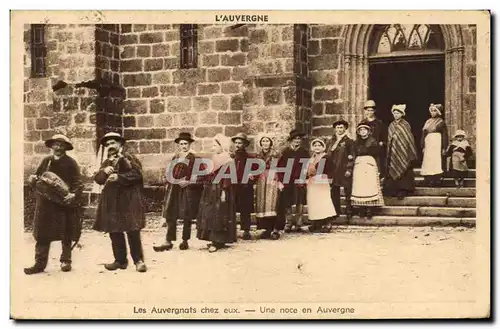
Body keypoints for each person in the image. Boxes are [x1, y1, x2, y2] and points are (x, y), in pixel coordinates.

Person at [24, 134, 84, 275]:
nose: (58, 147)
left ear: (65, 148)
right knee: (42, 232)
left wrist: (73, 195)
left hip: (63, 202)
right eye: (55, 144)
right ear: (51, 146)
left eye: (61, 145)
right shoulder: (46, 161)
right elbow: (38, 178)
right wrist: (32, 179)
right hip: (45, 202)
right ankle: (39, 264)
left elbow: (78, 183)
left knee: (66, 231)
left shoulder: (71, 163)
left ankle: (65, 261)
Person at [93, 132, 147, 273]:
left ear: (120, 144)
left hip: (129, 200)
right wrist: (104, 172)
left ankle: (138, 260)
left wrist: (119, 177)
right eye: (107, 144)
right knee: (114, 230)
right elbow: (98, 180)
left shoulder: (130, 158)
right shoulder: (106, 162)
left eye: (113, 143)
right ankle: (120, 261)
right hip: (112, 201)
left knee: (132, 229)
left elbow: (137, 175)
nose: (110, 146)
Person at [153, 132, 202, 252]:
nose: (184, 146)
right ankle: (168, 240)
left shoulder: (195, 158)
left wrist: (189, 182)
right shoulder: (175, 158)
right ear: (178, 145)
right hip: (174, 189)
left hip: (187, 190)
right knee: (171, 213)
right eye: (181, 144)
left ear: (190, 144)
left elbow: (201, 176)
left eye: (186, 143)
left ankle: (185, 240)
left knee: (187, 215)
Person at [196, 134, 237, 253]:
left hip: (221, 189)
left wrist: (224, 191)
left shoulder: (228, 160)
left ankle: (217, 240)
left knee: (219, 214)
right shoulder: (214, 158)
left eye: (215, 145)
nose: (213, 148)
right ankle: (212, 238)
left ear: (222, 146)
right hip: (210, 189)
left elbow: (229, 177)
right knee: (209, 213)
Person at [277, 129, 309, 233]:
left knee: (299, 200)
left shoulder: (304, 152)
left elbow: (306, 166)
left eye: (299, 139)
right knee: (287, 201)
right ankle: (288, 222)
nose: (297, 141)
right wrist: (281, 180)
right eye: (295, 139)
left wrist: (303, 178)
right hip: (287, 179)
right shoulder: (285, 152)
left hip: (299, 179)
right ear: (291, 140)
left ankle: (299, 223)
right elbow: (280, 167)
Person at [384, 104, 418, 199]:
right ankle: (393, 190)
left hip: (404, 152)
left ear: (402, 114)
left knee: (404, 170)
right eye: (394, 113)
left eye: (398, 113)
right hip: (393, 152)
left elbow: (408, 138)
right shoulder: (391, 125)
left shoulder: (405, 124)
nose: (396, 115)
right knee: (392, 169)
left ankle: (402, 190)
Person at [351, 124, 385, 219]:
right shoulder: (356, 143)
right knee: (360, 186)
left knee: (369, 186)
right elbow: (353, 154)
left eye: (364, 130)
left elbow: (377, 156)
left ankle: (369, 209)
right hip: (359, 165)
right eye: (360, 130)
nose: (362, 131)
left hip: (370, 164)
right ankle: (361, 209)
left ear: (368, 131)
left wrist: (378, 168)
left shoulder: (373, 142)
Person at [255, 134, 283, 240]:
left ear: (270, 143)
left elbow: (281, 168)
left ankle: (275, 229)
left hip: (273, 178)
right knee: (263, 204)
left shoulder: (276, 154)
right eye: (263, 141)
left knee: (273, 204)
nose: (265, 143)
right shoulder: (258, 156)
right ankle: (267, 229)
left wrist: (280, 181)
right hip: (261, 180)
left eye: (267, 141)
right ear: (261, 143)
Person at [325, 120, 355, 219]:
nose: (339, 129)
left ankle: (349, 210)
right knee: (334, 191)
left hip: (344, 168)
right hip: (333, 169)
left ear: (345, 129)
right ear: (335, 129)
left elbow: (352, 156)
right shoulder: (330, 141)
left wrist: (349, 169)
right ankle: (335, 211)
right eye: (337, 128)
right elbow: (327, 155)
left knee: (347, 190)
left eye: (341, 127)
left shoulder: (349, 141)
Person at [306, 137, 337, 232]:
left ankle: (327, 223)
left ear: (323, 147)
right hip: (312, 182)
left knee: (323, 201)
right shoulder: (312, 158)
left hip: (322, 181)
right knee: (313, 202)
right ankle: (316, 223)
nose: (317, 147)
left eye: (319, 145)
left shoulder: (326, 157)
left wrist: (329, 180)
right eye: (315, 145)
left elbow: (331, 170)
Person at [231, 132, 258, 240]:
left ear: (245, 144)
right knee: (231, 208)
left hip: (245, 187)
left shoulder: (250, 157)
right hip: (234, 186)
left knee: (245, 209)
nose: (237, 145)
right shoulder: (232, 157)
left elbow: (257, 171)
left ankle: (246, 230)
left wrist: (252, 176)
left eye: (240, 143)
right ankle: (232, 230)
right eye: (236, 143)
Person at [420, 103, 449, 186]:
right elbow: (423, 134)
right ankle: (428, 179)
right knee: (428, 160)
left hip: (437, 142)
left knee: (436, 160)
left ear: (438, 112)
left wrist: (444, 147)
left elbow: (444, 135)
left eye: (434, 111)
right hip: (428, 142)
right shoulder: (427, 122)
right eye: (431, 111)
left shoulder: (441, 122)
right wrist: (423, 146)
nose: (432, 113)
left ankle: (437, 179)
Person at [359, 100, 388, 177]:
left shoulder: (379, 123)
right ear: (365, 111)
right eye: (368, 110)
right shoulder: (362, 123)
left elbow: (384, 136)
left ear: (374, 111)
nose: (369, 112)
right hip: (366, 149)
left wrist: (382, 143)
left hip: (377, 149)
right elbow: (359, 136)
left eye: (371, 110)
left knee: (377, 169)